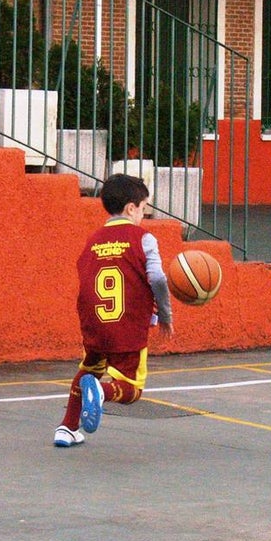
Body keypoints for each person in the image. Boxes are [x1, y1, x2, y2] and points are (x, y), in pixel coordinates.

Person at [53, 173, 173, 448]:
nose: (144, 215)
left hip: (95, 322)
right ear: (131, 208)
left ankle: (66, 428)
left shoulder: (93, 239)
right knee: (132, 389)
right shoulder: (143, 238)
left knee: (88, 370)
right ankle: (102, 391)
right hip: (127, 326)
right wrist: (165, 314)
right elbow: (156, 278)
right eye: (144, 208)